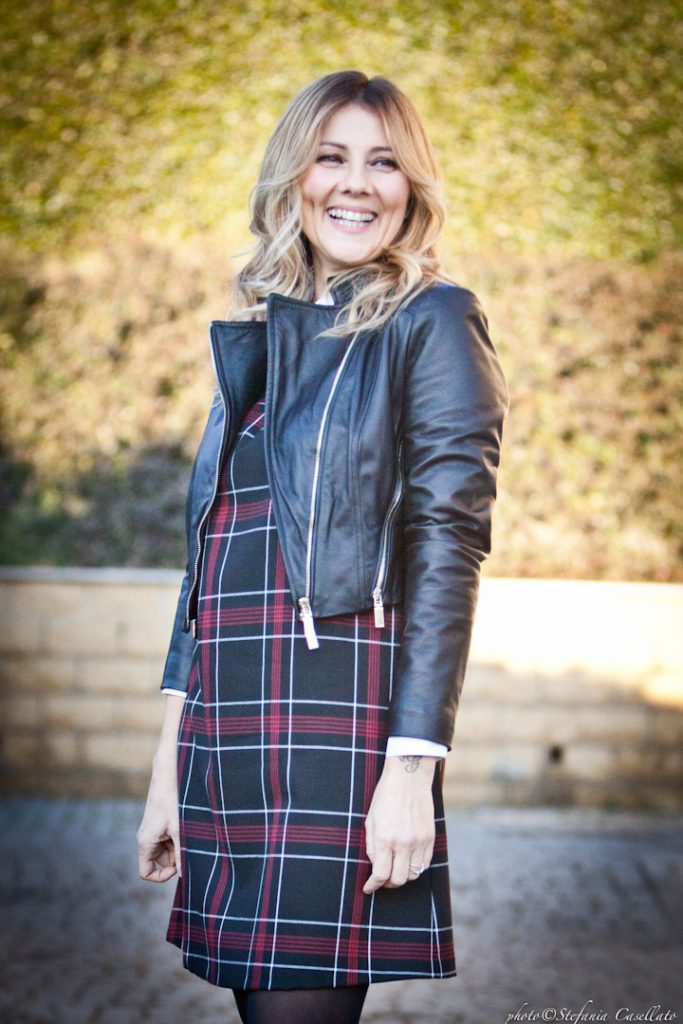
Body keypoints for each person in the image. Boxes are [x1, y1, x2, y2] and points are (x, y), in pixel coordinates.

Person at [136, 69, 508, 1024]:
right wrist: (168, 767)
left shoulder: (432, 320)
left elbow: (447, 541)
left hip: (335, 727)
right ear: (291, 178)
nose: (355, 183)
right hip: (231, 728)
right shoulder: (262, 339)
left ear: (411, 185)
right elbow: (207, 565)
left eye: (383, 162)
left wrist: (411, 770)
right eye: (329, 157)